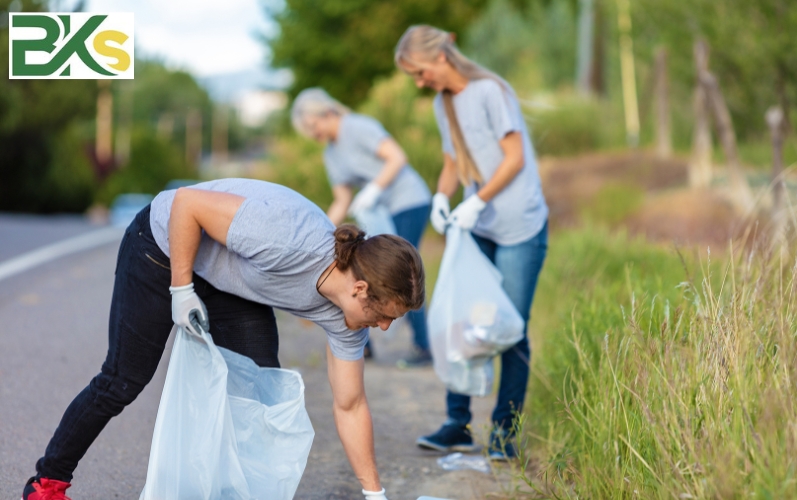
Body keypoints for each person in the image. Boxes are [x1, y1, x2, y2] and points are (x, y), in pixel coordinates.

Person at [22, 179, 424, 500]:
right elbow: (186, 203)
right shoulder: (287, 238)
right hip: (164, 243)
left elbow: (350, 405)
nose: (385, 327)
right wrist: (180, 290)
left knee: (258, 386)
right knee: (123, 378)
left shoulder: (347, 320)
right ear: (359, 289)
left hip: (229, 278)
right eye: (386, 315)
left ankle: (231, 489)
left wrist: (375, 494)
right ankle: (47, 483)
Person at [394, 25, 549, 460]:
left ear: (440, 58)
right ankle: (457, 424)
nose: (420, 82)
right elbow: (452, 161)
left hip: (520, 225)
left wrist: (477, 199)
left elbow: (514, 158)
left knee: (510, 329)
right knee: (463, 321)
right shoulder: (445, 104)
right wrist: (443, 196)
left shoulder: (490, 92)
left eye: (420, 72)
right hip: (478, 228)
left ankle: (504, 432)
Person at [291, 88, 433, 367]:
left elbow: (397, 157)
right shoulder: (331, 154)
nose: (312, 133)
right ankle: (363, 345)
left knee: (402, 273)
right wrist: (321, 231)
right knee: (363, 270)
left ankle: (423, 346)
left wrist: (374, 189)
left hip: (408, 201)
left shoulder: (357, 127)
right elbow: (342, 198)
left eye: (312, 125)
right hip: (378, 210)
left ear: (326, 112)